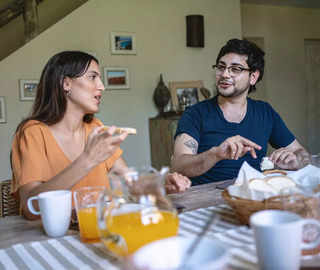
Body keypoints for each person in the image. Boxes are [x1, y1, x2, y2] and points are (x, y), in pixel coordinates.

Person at [11, 51, 191, 220]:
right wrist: (87, 160)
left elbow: (129, 180)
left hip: (100, 229)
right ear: (66, 83)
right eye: (92, 77)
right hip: (53, 239)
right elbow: (29, 207)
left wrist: (161, 183)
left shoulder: (95, 128)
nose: (101, 86)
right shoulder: (32, 133)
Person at [171, 39, 310, 186]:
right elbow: (178, 165)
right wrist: (216, 153)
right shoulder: (195, 114)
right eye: (221, 67)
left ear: (253, 77)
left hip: (252, 197)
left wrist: (296, 161)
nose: (225, 74)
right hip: (205, 199)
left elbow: (302, 154)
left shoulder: (265, 112)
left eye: (235, 69)